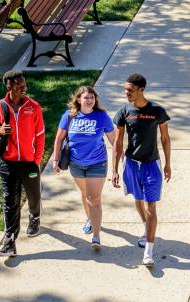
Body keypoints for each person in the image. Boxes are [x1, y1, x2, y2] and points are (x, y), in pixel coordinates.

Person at [112, 74, 171, 266]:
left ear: (141, 90)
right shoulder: (124, 111)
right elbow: (118, 142)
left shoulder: (157, 111)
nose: (126, 93)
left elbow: (165, 138)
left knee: (151, 205)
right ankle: (147, 229)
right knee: (138, 199)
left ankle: (148, 251)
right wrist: (114, 169)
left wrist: (168, 163)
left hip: (151, 164)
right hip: (131, 163)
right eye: (125, 89)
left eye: (130, 90)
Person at [0, 70, 45, 257]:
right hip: (8, 163)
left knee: (34, 195)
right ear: (9, 86)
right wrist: (0, 129)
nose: (23, 87)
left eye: (24, 83)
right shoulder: (0, 106)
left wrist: (36, 161)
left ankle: (35, 218)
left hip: (29, 162)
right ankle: (9, 240)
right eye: (19, 85)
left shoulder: (33, 107)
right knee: (10, 201)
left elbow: (40, 135)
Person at [51, 86, 116, 250]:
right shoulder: (70, 116)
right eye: (86, 97)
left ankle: (96, 236)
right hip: (76, 163)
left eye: (92, 98)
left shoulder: (102, 116)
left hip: (97, 162)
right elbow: (59, 139)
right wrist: (56, 159)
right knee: (85, 193)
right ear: (78, 99)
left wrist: (119, 163)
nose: (89, 100)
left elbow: (115, 141)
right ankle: (89, 218)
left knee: (94, 199)